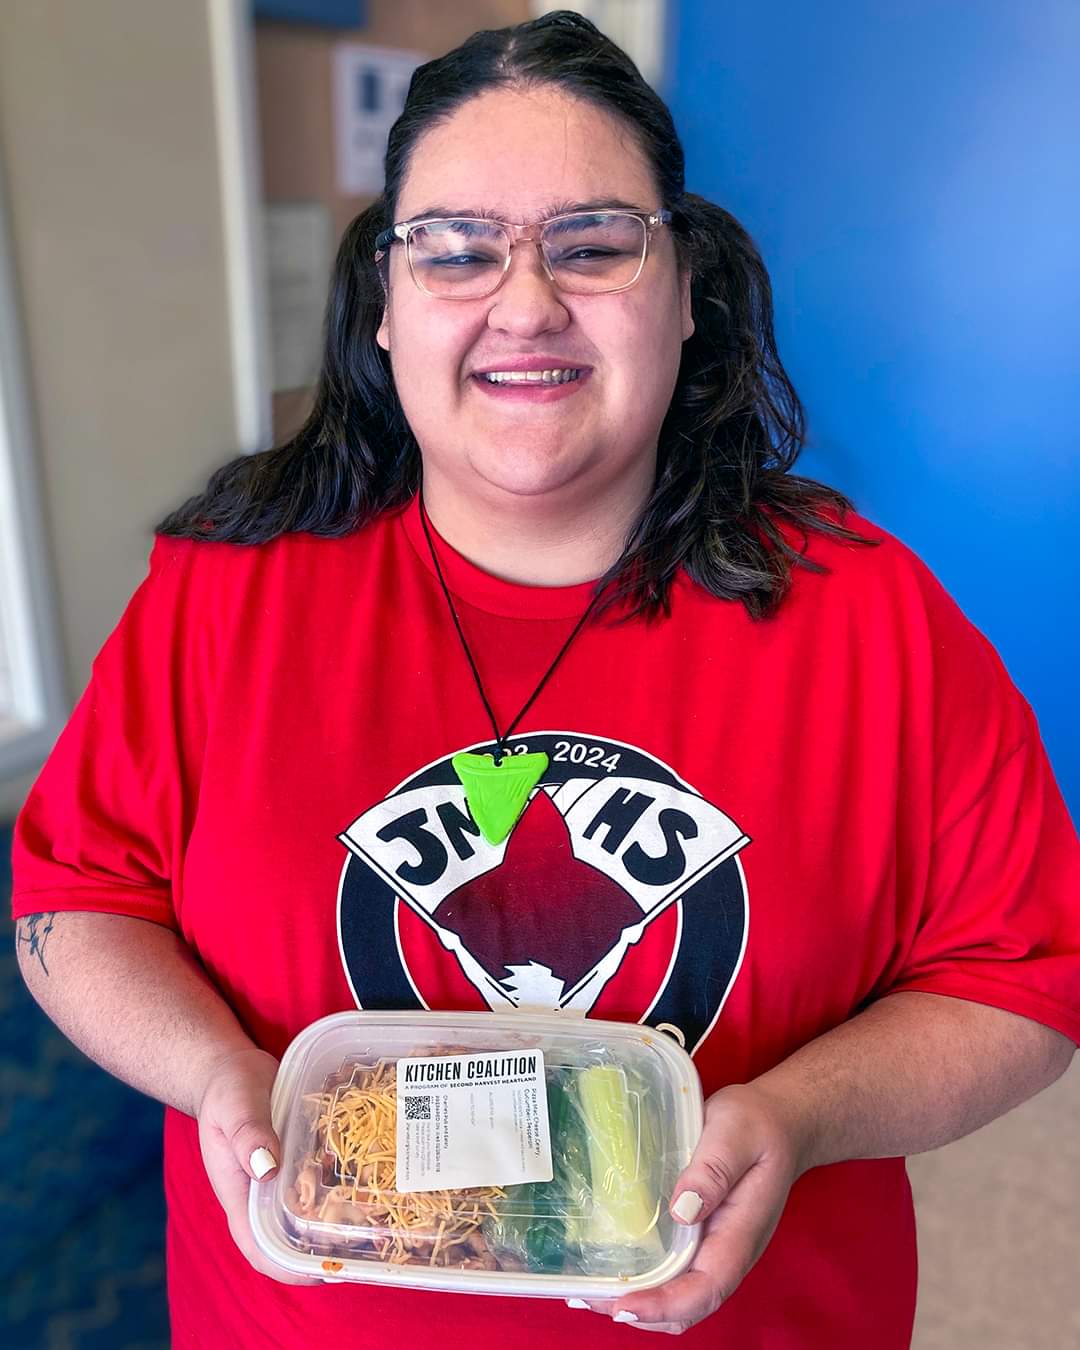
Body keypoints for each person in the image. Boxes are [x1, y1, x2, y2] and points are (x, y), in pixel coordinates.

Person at [11, 10, 1079, 1347]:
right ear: (385, 310)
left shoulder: (873, 617)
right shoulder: (224, 593)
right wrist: (220, 1078)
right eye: (455, 252)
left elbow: (1022, 980)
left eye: (592, 245)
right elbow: (73, 903)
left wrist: (800, 1116)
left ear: (686, 291)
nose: (524, 302)